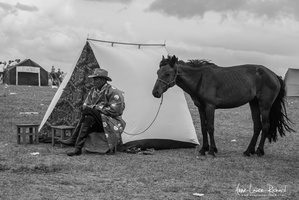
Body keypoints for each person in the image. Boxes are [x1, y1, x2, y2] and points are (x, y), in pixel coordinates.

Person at [59, 68, 126, 156]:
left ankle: (73, 139)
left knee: (87, 111)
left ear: (103, 80)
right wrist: (94, 109)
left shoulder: (114, 92)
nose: (93, 81)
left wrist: (97, 108)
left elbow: (115, 110)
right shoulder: (93, 91)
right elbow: (85, 105)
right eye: (93, 79)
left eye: (96, 79)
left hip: (111, 122)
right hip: (99, 121)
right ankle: (77, 149)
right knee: (88, 118)